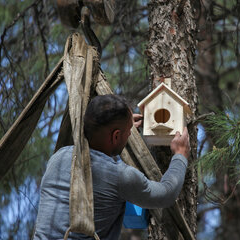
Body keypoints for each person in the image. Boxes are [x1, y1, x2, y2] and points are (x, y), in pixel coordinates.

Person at [33, 94, 190, 240]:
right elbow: (166, 193)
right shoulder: (121, 177)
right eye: (128, 131)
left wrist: (123, 130)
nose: (130, 134)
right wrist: (180, 155)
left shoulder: (59, 157)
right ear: (115, 136)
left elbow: (101, 163)